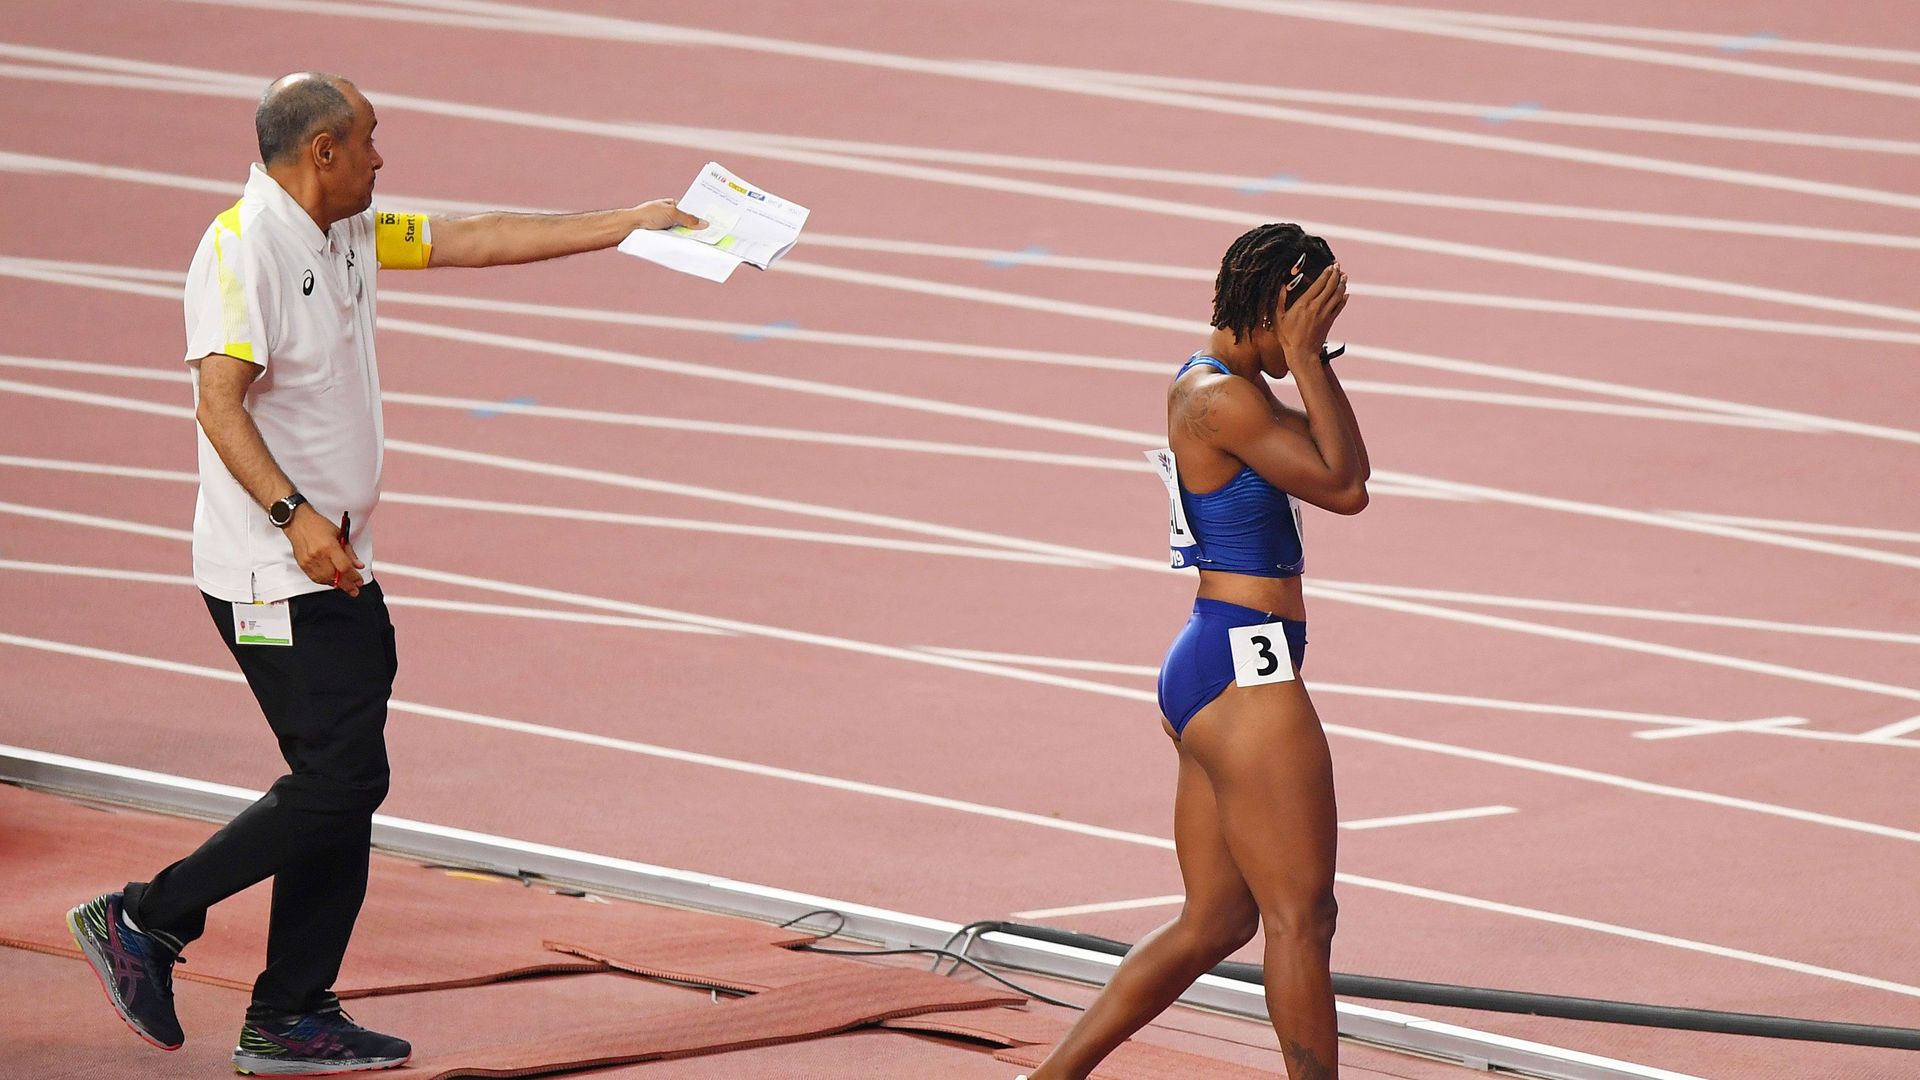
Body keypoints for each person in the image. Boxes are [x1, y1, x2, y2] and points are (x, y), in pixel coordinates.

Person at [66, 71, 703, 1076]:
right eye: (368, 141)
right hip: (273, 574)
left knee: (341, 783)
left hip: (341, 567)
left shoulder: (346, 230)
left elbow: (474, 236)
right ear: (320, 151)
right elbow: (219, 403)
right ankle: (145, 918)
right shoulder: (244, 251)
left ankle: (291, 1012)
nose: (380, 159)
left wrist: (632, 222)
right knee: (342, 778)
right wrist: (295, 518)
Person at [1021, 223, 1367, 1080]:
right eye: (1309, 319)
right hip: (1247, 669)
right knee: (1301, 917)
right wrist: (1311, 361)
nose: (1315, 340)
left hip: (1217, 660)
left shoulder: (1230, 387)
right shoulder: (1222, 399)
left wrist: (1303, 356)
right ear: (1273, 305)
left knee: (1215, 921)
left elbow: (1333, 460)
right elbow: (1347, 487)